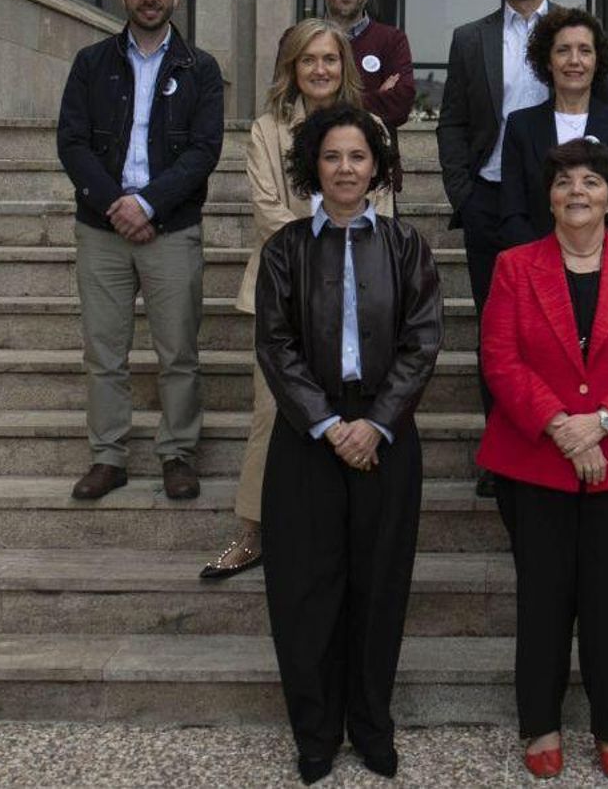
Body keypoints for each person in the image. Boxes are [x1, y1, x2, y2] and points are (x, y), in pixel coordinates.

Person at [476, 138, 608, 781]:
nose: (577, 192)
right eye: (565, 182)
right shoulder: (514, 266)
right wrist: (563, 427)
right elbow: (501, 359)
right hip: (536, 461)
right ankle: (539, 724)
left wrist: (603, 422)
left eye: (590, 181)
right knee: (542, 597)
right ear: (550, 197)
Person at [254, 103, 442, 784]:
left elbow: (422, 343)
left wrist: (377, 422)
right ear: (314, 166)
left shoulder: (407, 246)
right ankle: (314, 731)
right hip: (308, 438)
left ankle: (370, 723)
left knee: (379, 587)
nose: (344, 169)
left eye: (357, 157)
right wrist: (330, 425)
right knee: (306, 591)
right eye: (332, 157)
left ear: (377, 167)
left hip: (385, 436)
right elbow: (274, 347)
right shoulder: (286, 250)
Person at [199, 19, 396, 579]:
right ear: (291, 66)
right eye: (308, 59)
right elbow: (268, 213)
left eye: (330, 59)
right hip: (283, 292)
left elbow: (380, 211)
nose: (320, 69)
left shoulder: (373, 127)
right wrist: (325, 249)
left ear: (344, 66)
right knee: (271, 414)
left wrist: (345, 258)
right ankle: (253, 531)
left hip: (361, 291)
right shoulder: (266, 130)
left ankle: (342, 530)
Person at [437, 0, 608, 497]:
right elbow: (453, 125)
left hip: (571, 206)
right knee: (503, 333)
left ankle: (572, 434)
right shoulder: (471, 39)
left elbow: (606, 114)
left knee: (570, 330)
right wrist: (465, 194)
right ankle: (505, 447)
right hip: (493, 202)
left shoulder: (573, 32)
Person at [57, 0, 223, 502]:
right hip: (102, 228)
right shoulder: (91, 62)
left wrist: (147, 204)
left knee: (178, 351)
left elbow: (203, 152)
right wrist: (115, 205)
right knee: (104, 351)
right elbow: (72, 143)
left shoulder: (200, 69)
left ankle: (177, 453)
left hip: (171, 230)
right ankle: (109, 457)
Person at [277, 0, 416, 192]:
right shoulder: (294, 39)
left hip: (374, 187)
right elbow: (287, 104)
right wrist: (373, 97)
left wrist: (322, 101)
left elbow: (400, 106)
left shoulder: (392, 41)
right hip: (305, 183)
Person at [498, 6, 608, 247]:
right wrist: (545, 260)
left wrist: (587, 260)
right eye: (563, 50)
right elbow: (513, 211)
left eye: (585, 51)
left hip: (601, 267)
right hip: (535, 267)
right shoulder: (520, 126)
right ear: (548, 61)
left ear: (597, 61)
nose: (574, 60)